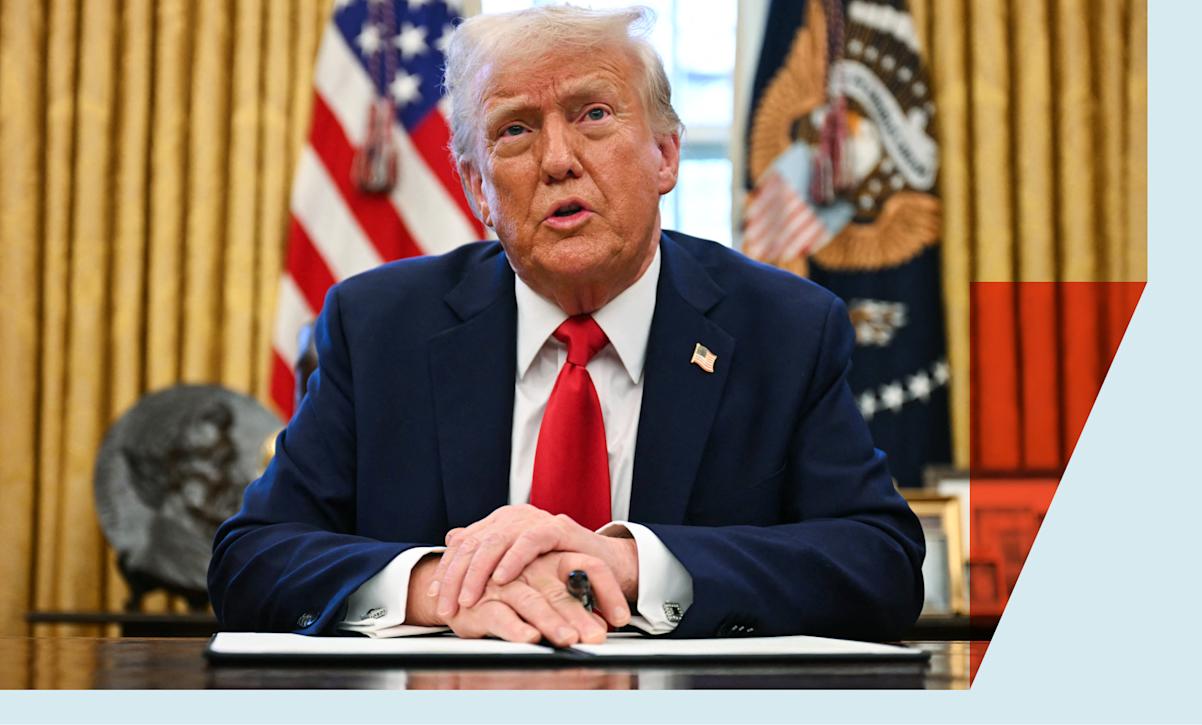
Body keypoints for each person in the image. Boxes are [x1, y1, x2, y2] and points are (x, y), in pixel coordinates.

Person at [208, 5, 924, 646]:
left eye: (594, 115)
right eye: (515, 130)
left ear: (666, 155)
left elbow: (879, 562)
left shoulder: (784, 329)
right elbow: (251, 557)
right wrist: (442, 586)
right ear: (479, 188)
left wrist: (627, 563)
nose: (557, 160)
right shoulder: (378, 327)